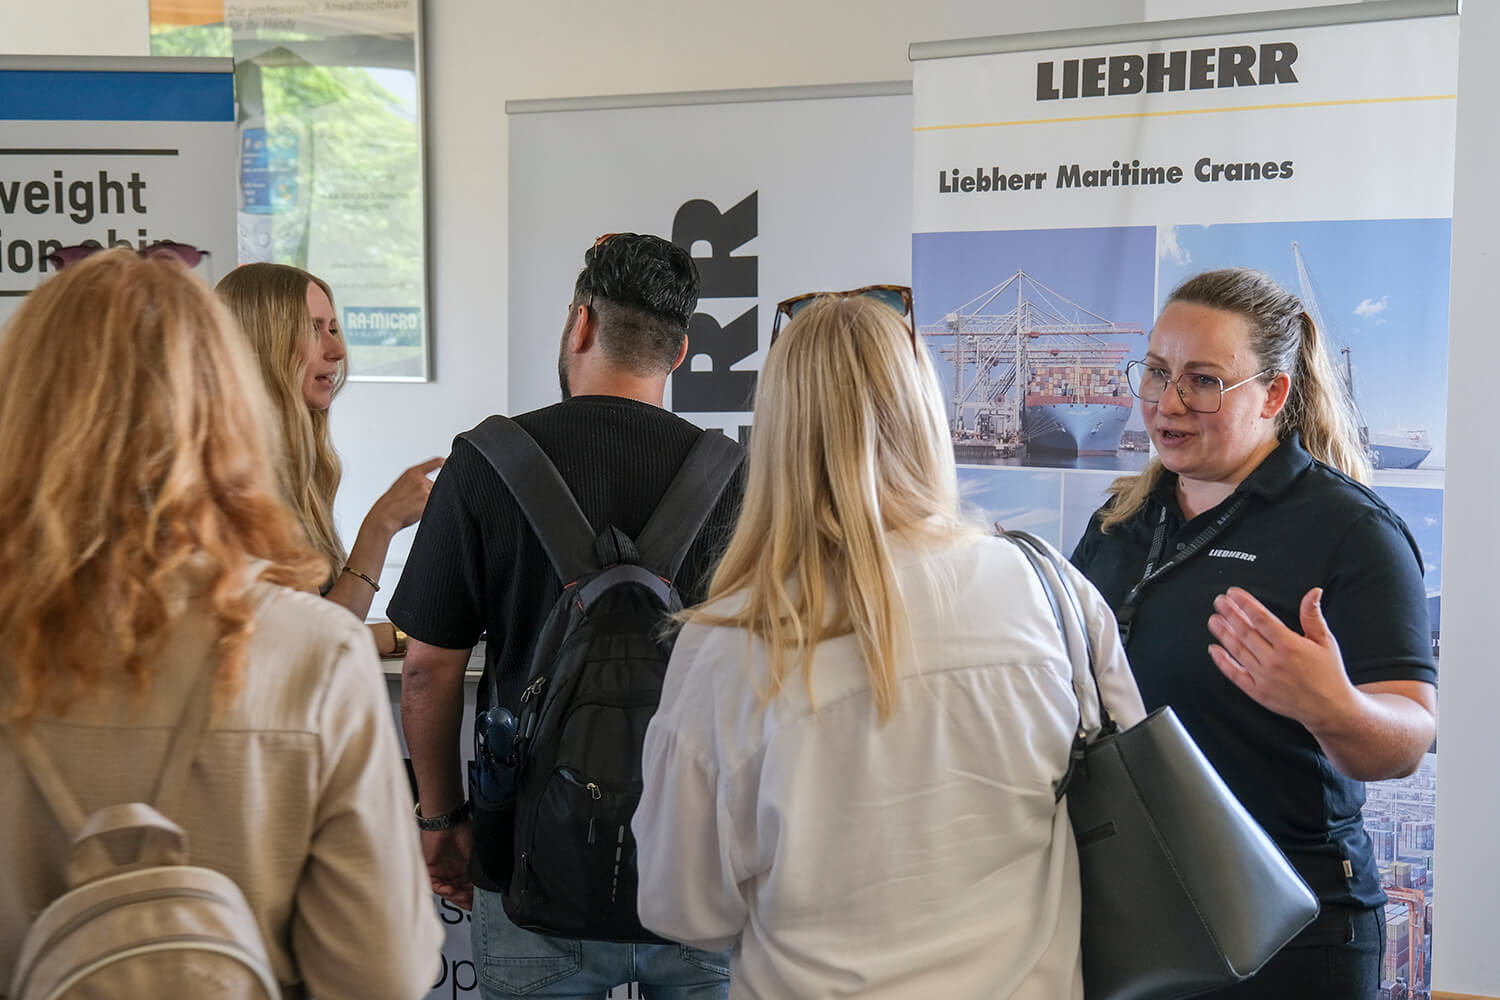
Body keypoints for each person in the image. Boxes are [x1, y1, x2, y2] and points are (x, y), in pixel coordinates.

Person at [632, 291, 1147, 999]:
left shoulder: (729, 644)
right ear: (926, 413)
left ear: (777, 433)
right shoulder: (1051, 591)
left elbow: (681, 907)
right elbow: (1131, 809)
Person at [0, 250, 443, 997]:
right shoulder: (317, 659)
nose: (334, 350)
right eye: (316, 330)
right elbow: (384, 973)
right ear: (225, 401)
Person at [390, 233, 743, 999]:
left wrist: (440, 819)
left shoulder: (485, 463)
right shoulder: (737, 478)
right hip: (696, 871)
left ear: (579, 325)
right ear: (677, 354)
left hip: (525, 862)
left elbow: (425, 670)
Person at [1071, 268, 1438, 999]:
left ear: (1273, 394)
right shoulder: (1119, 521)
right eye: (1156, 373)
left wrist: (1331, 706)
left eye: (1203, 381)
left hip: (1290, 934)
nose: (1168, 403)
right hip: (1130, 913)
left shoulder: (1350, 532)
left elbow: (1408, 738)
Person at [216, 262, 443, 656]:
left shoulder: (285, 469)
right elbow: (313, 645)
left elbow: (319, 628)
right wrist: (382, 524)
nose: (337, 351)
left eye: (333, 329)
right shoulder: (239, 478)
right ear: (262, 342)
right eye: (312, 329)